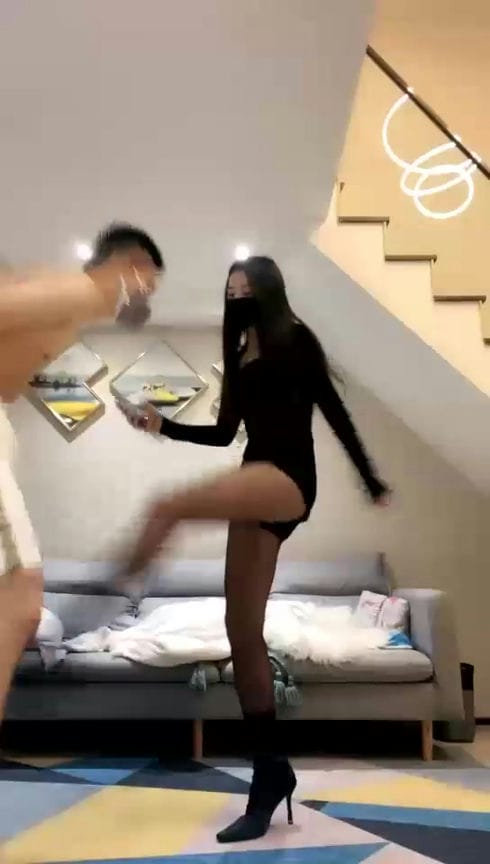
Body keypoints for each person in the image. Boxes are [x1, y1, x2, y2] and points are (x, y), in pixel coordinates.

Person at [118, 256, 390, 843]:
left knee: (170, 506)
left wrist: (370, 479)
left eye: (246, 290)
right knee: (242, 633)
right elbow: (224, 434)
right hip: (253, 480)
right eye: (230, 292)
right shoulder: (240, 353)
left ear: (268, 291)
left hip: (287, 479)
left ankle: (122, 574)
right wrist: (161, 426)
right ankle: (270, 775)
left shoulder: (295, 339)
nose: (237, 299)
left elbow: (334, 411)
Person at [0, 223, 164, 725]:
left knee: (19, 595)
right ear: (132, 264)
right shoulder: (74, 290)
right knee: (20, 593)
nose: (147, 296)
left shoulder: (69, 305)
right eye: (149, 281)